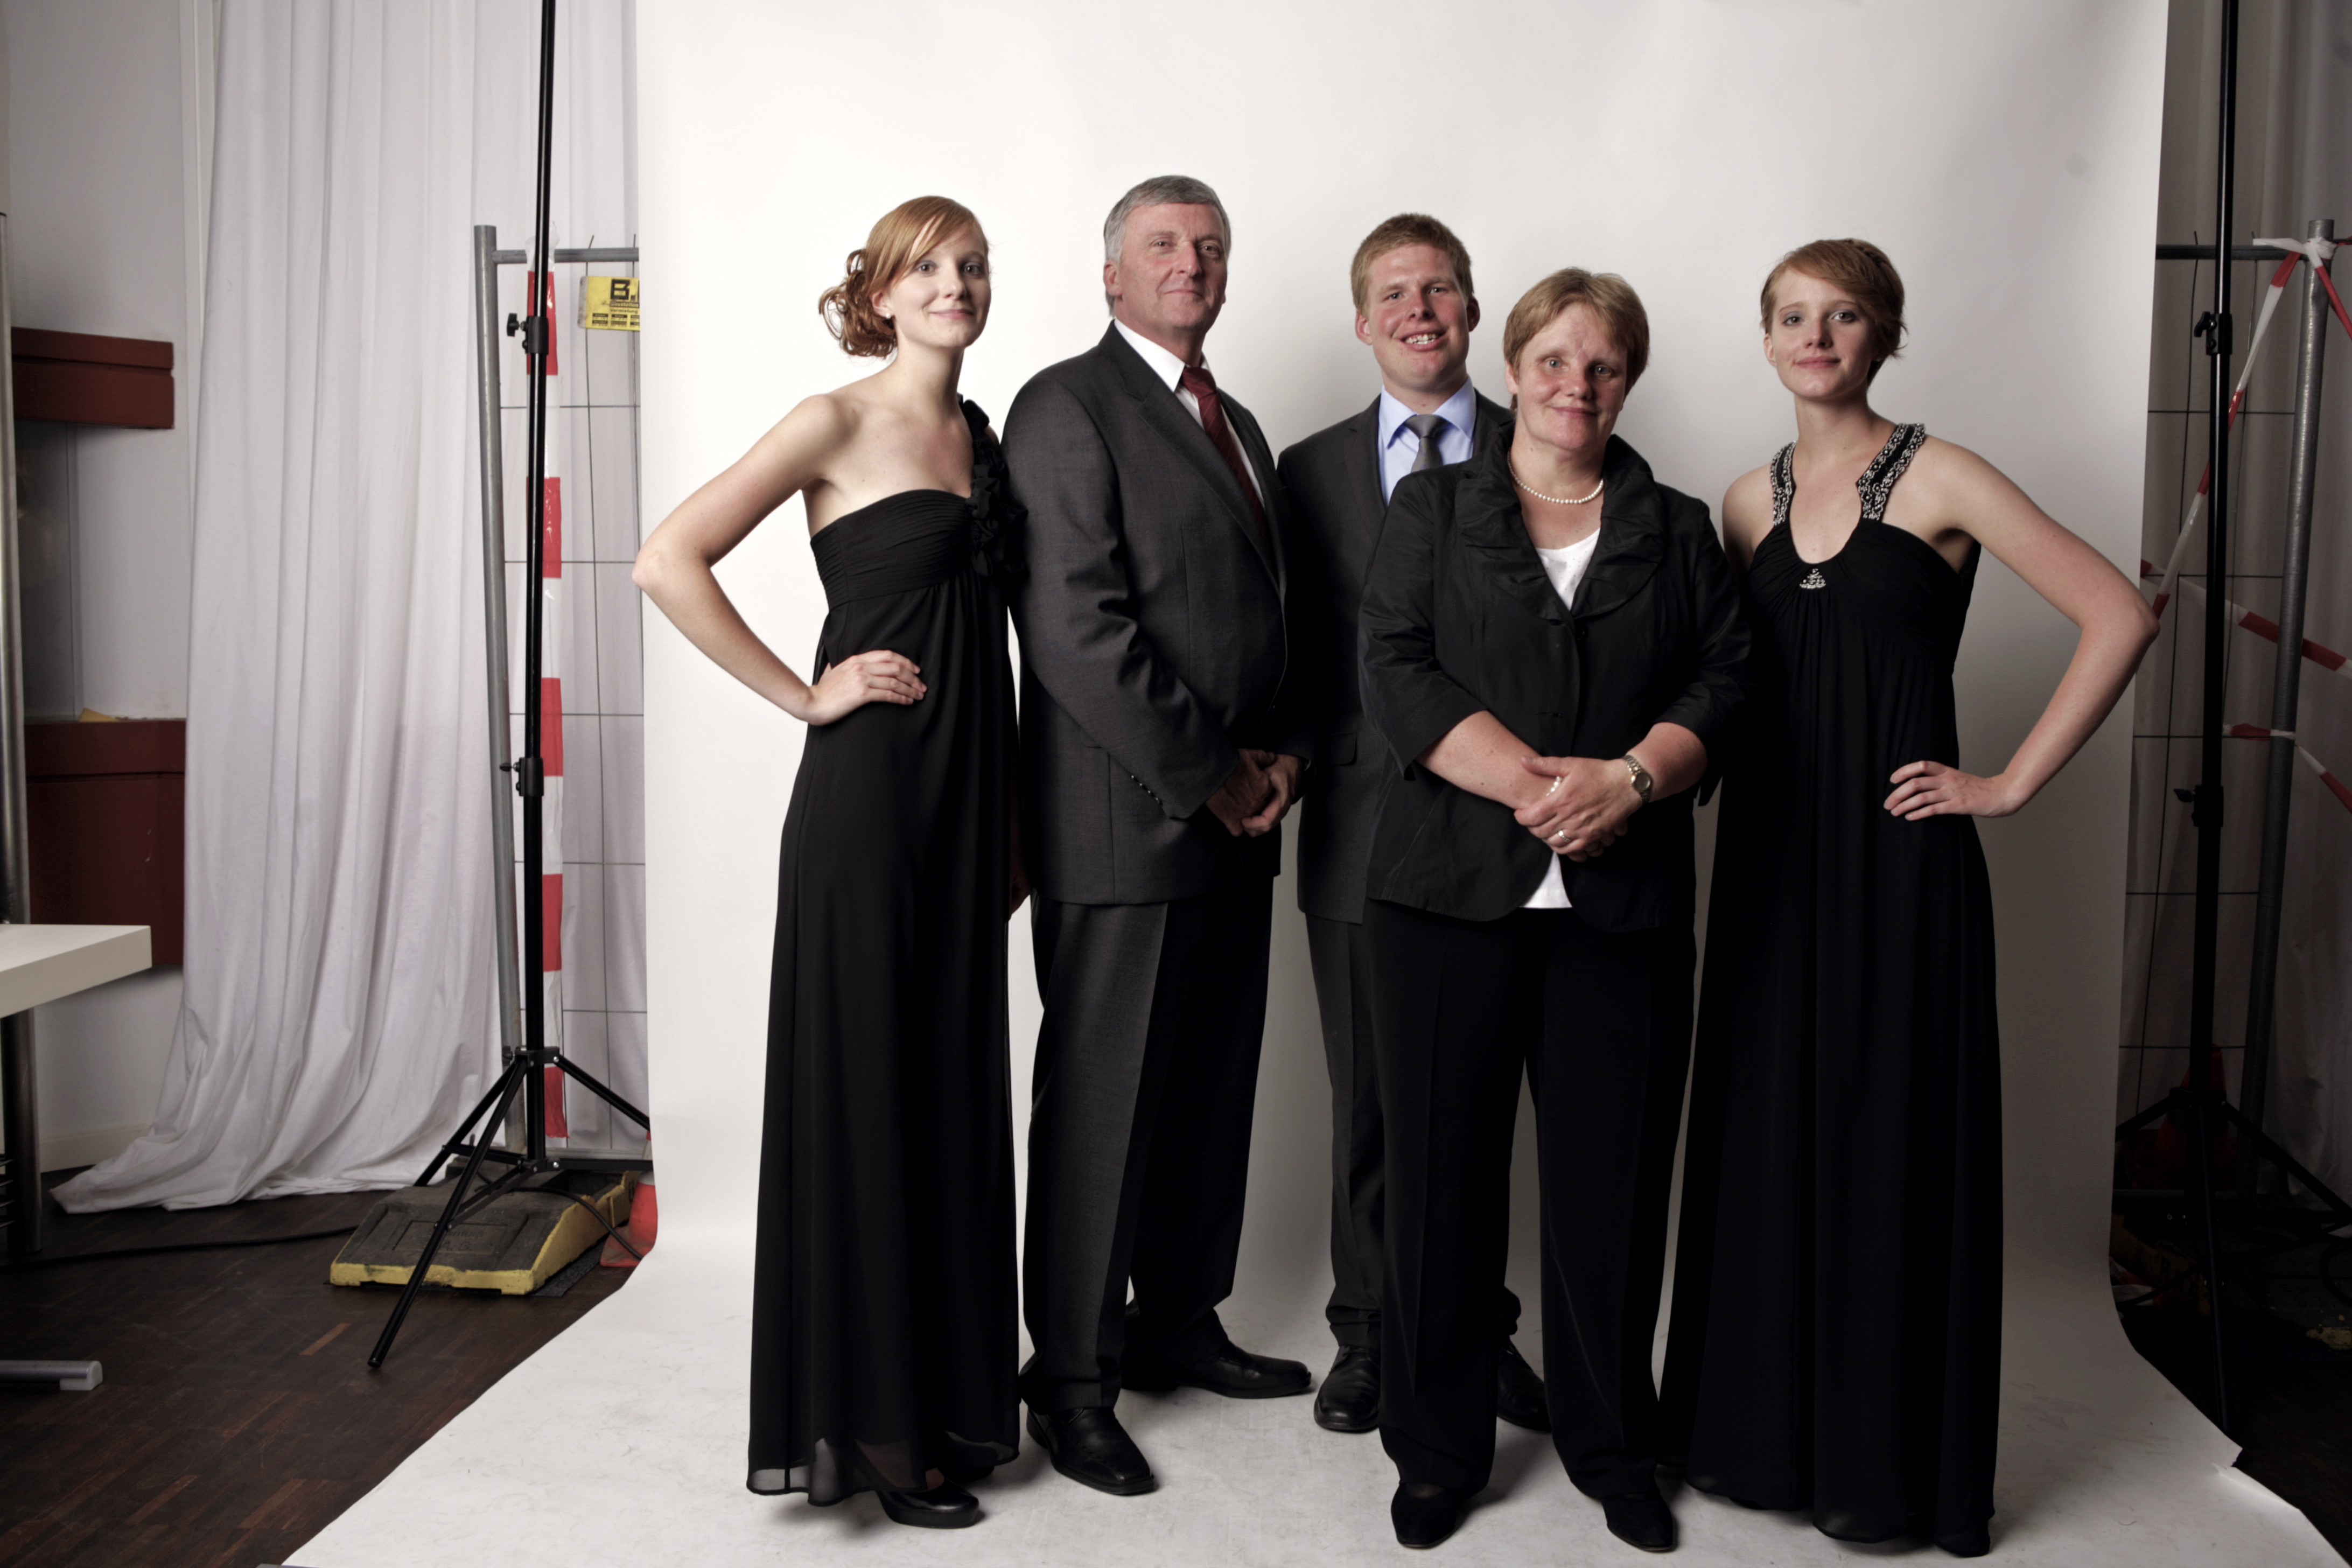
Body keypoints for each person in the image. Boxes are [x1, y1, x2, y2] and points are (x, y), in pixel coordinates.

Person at [1658, 239, 2158, 1557]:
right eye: (1793, 316)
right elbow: (1719, 686)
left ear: (1885, 336)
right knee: (1767, 1136)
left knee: (1886, 1140)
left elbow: (2120, 612)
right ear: (1766, 338)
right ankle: (1757, 1441)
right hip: (1769, 865)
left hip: (1899, 866)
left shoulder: (1945, 475)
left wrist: (2007, 784)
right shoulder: (1741, 503)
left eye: (1845, 316)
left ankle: (1882, 1466)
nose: (1817, 337)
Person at [632, 197, 1023, 1531]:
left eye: (974, 265)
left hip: (967, 804)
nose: (957, 284)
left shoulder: (984, 436)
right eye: (930, 267)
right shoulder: (832, 422)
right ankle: (877, 1429)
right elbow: (666, 560)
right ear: (883, 292)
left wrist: (1011, 820)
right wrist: (806, 697)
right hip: (870, 802)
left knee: (946, 1090)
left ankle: (946, 1400)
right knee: (871, 1093)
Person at [1356, 268, 1750, 1552]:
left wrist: (1630, 780)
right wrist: (1542, 790)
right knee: (1438, 1192)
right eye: (1556, 360)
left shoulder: (1677, 526)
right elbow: (1394, 667)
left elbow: (1728, 677)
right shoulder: (1431, 508)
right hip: (1442, 900)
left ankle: (1612, 1443)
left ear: (1628, 381)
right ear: (1514, 366)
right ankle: (1435, 1450)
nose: (1577, 385)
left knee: (1612, 1193)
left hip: (1621, 910)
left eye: (1605, 365)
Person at [1002, 174, 1313, 1498]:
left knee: (1205, 1090)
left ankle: (1177, 1322)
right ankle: (1072, 1383)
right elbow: (1076, 628)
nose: (1193, 263)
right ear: (1113, 273)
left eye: (1211, 247)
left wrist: (1282, 756)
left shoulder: (1237, 420)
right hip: (1125, 825)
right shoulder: (1064, 406)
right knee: (1103, 1110)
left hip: (1240, 819)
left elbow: (1271, 614)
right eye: (1164, 245)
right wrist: (1211, 774)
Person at [1275, 213, 1547, 1438]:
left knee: (1481, 1096)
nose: (1419, 310)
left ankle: (1476, 1334)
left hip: (1504, 824)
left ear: (1474, 312)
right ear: (1362, 320)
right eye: (1394, 292)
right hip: (1356, 825)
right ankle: (1371, 1336)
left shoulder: (1543, 439)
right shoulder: (1304, 471)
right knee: (1371, 1104)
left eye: (1440, 289)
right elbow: (1285, 645)